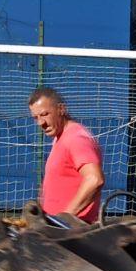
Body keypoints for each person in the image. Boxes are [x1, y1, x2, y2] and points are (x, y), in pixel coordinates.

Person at [30, 85, 104, 222]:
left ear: (61, 109)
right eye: (36, 117)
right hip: (56, 230)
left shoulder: (76, 138)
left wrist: (64, 218)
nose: (41, 123)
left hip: (72, 234)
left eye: (45, 114)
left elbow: (94, 180)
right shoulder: (60, 138)